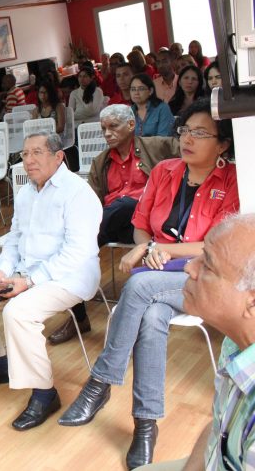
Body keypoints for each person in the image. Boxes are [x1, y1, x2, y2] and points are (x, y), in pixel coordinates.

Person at [58, 99, 239, 470]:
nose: (187, 139)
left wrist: (158, 249)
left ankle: (100, 383)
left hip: (202, 277)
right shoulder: (164, 171)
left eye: (200, 133)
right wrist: (144, 246)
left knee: (139, 289)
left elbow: (213, 244)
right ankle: (145, 424)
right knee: (152, 316)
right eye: (184, 131)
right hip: (158, 272)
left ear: (222, 144)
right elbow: (141, 223)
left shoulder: (233, 180)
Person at [0, 131, 102, 431]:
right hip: (25, 271)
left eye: (37, 152)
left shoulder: (78, 192)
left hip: (69, 277)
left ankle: (44, 393)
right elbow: (15, 238)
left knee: (18, 312)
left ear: (58, 156)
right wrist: (2, 272)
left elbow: (77, 253)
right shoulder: (26, 192)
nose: (29, 160)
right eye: (25, 154)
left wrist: (28, 281)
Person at [47, 104, 179, 345]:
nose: (107, 133)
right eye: (103, 128)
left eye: (113, 127)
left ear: (131, 125)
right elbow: (91, 202)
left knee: (124, 205)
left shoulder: (156, 146)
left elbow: (191, 152)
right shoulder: (101, 162)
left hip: (145, 226)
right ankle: (79, 317)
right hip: (113, 225)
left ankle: (67, 249)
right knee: (82, 246)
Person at [142, 215, 255, 470]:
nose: (189, 268)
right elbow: (219, 425)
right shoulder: (234, 343)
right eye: (200, 257)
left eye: (208, 266)